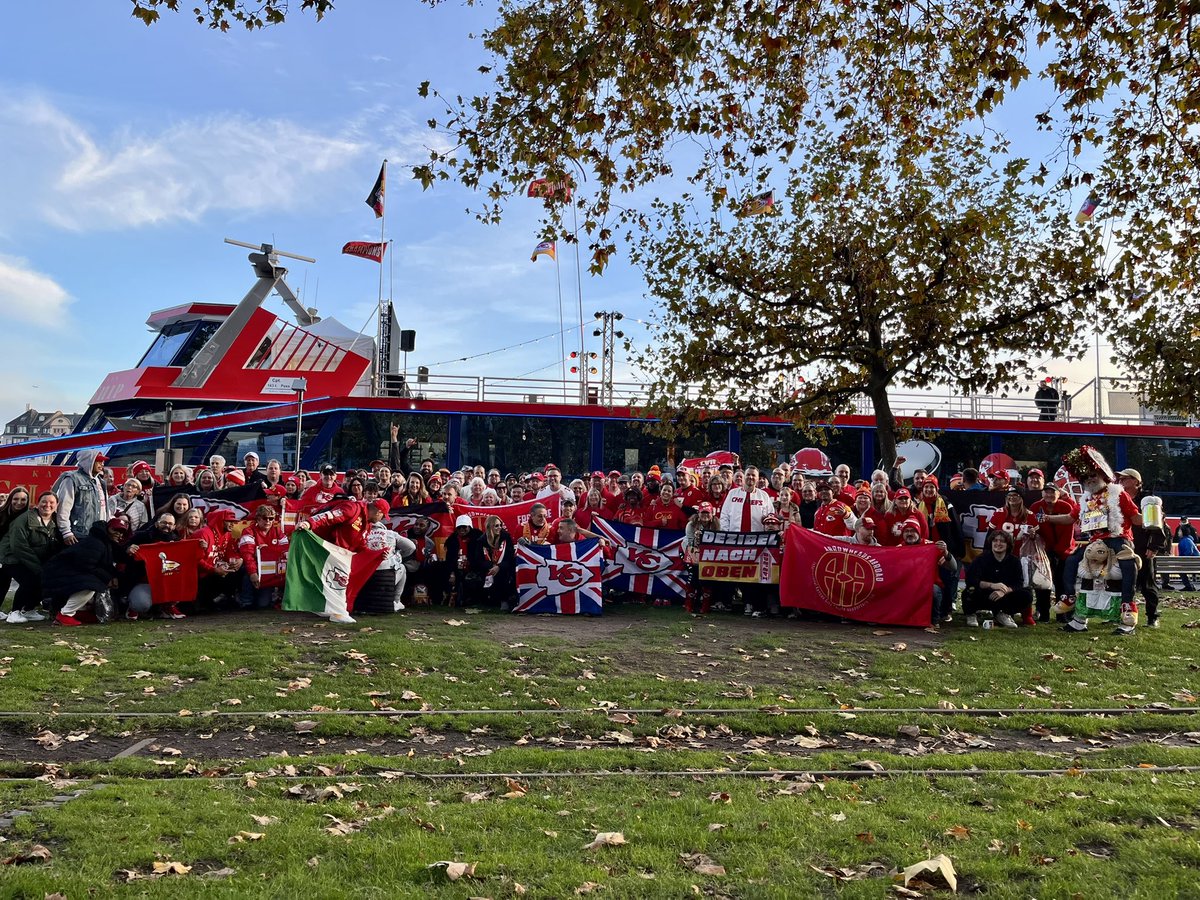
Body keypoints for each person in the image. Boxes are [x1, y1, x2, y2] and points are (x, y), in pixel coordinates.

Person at [0, 491, 63, 624]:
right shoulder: (23, 519)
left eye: (52, 502)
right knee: (30, 580)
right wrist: (38, 567)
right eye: (44, 502)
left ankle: (28, 610)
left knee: (45, 579)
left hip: (32, 559)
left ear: (57, 505)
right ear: (37, 504)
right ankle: (15, 612)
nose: (47, 505)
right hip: (12, 557)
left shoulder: (56, 521)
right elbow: (19, 547)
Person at [41, 519, 119, 626]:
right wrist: (107, 578)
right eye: (115, 529)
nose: (118, 533)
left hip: (62, 573)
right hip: (58, 574)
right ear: (107, 529)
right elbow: (87, 565)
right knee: (91, 586)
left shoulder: (103, 543)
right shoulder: (96, 544)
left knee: (93, 583)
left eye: (122, 532)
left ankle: (75, 612)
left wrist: (111, 576)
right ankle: (65, 615)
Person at [1118, 468, 1169, 627]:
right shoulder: (1118, 499)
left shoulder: (1147, 500)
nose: (1120, 481)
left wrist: (1153, 546)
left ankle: (1152, 617)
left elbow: (1160, 525)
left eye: (1124, 478)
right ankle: (1123, 615)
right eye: (1120, 479)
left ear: (1135, 481)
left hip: (1143, 548)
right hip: (1124, 546)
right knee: (1123, 583)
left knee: (1147, 584)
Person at [123, 511, 188, 621]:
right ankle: (133, 606)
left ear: (174, 526)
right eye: (164, 522)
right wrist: (128, 549)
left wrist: (201, 545)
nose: (167, 526)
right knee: (141, 604)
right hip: (143, 581)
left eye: (170, 524)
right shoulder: (141, 536)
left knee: (183, 582)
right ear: (157, 524)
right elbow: (123, 549)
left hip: (165, 580)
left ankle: (168, 606)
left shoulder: (176, 541)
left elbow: (187, 555)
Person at [962, 530, 1031, 628]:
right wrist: (991, 585)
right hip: (984, 594)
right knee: (969, 592)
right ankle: (971, 614)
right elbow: (971, 580)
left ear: (1008, 544)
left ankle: (1003, 614)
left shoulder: (1014, 561)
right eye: (995, 540)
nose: (998, 543)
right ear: (991, 543)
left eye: (1002, 541)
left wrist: (1005, 591)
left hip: (1003, 596)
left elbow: (1018, 583)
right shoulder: (980, 559)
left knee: (1026, 594)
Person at [236, 505, 289, 610]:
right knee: (247, 571)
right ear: (258, 518)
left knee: (263, 604)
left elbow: (286, 550)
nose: (268, 521)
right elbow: (247, 555)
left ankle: (277, 595)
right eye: (265, 518)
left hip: (269, 570)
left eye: (271, 518)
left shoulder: (277, 531)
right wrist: (253, 573)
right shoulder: (248, 531)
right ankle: (245, 600)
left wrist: (266, 550)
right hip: (252, 566)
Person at [54, 449, 109, 546]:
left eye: (103, 461)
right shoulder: (72, 479)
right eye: (98, 461)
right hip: (78, 535)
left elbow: (105, 510)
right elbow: (63, 508)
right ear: (88, 461)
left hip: (99, 535)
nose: (102, 464)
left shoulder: (101, 482)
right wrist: (66, 532)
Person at [470, 514, 517, 611]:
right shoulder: (481, 541)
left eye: (500, 525)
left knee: (503, 574)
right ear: (489, 527)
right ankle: (488, 600)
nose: (499, 528)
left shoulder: (506, 538)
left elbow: (510, 557)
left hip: (504, 568)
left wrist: (499, 566)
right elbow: (478, 560)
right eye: (496, 526)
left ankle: (504, 600)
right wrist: (491, 566)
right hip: (488, 568)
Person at [0, 487, 31, 618]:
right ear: (10, 499)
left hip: (13, 557)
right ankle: (16, 612)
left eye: (23, 499)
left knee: (3, 583)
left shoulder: (29, 516)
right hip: (2, 556)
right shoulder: (1, 513)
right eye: (16, 499)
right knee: (3, 583)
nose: (19, 502)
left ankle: (20, 610)